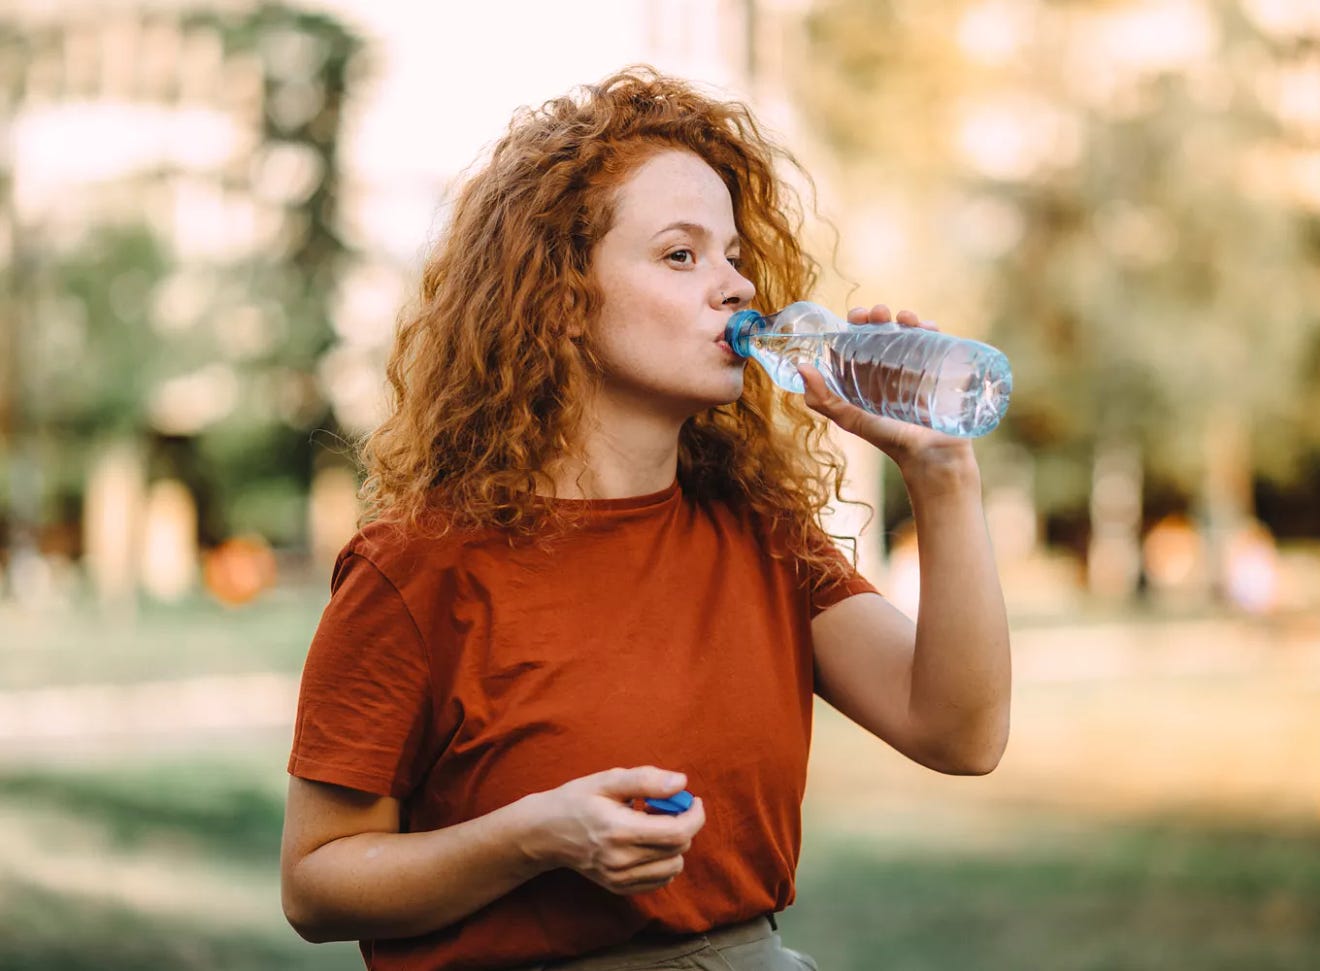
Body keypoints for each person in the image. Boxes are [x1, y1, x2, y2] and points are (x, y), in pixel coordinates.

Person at [280, 66, 1011, 971]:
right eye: (681, 254)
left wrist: (943, 477)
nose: (737, 286)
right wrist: (534, 838)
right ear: (562, 305)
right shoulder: (419, 567)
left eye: (735, 255)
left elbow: (959, 731)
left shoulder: (760, 537)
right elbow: (316, 884)